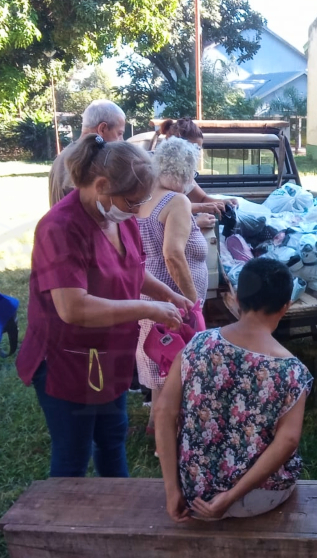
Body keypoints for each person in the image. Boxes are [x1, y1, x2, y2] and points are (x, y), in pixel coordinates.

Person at [16, 135, 191, 480]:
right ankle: (68, 531)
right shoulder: (60, 227)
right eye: (132, 201)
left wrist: (167, 295)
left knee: (112, 438)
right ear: (101, 186)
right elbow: (73, 308)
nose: (137, 210)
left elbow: (134, 271)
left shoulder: (121, 219)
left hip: (107, 354)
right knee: (73, 454)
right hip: (66, 359)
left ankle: (120, 518)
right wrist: (148, 310)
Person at [154, 257, 313, 558]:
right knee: (293, 479)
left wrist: (173, 489)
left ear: (236, 299)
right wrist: (232, 496)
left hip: (194, 492)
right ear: (285, 307)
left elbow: (165, 414)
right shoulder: (293, 371)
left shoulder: (197, 344)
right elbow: (287, 443)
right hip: (259, 497)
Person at [136, 137, 208, 431]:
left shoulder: (144, 195)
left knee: (159, 366)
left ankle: (157, 432)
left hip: (149, 294)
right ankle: (173, 440)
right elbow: (173, 255)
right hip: (172, 300)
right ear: (185, 170)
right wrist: (193, 303)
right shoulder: (177, 200)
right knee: (176, 372)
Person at [48, 99, 126, 207]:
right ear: (102, 129)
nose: (122, 140)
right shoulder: (88, 161)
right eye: (119, 133)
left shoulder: (62, 156)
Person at [157, 118, 236, 219]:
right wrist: (200, 211)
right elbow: (164, 208)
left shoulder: (183, 172)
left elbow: (201, 198)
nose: (196, 155)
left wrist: (224, 202)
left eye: (199, 149)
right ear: (176, 146)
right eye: (193, 149)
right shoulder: (153, 172)